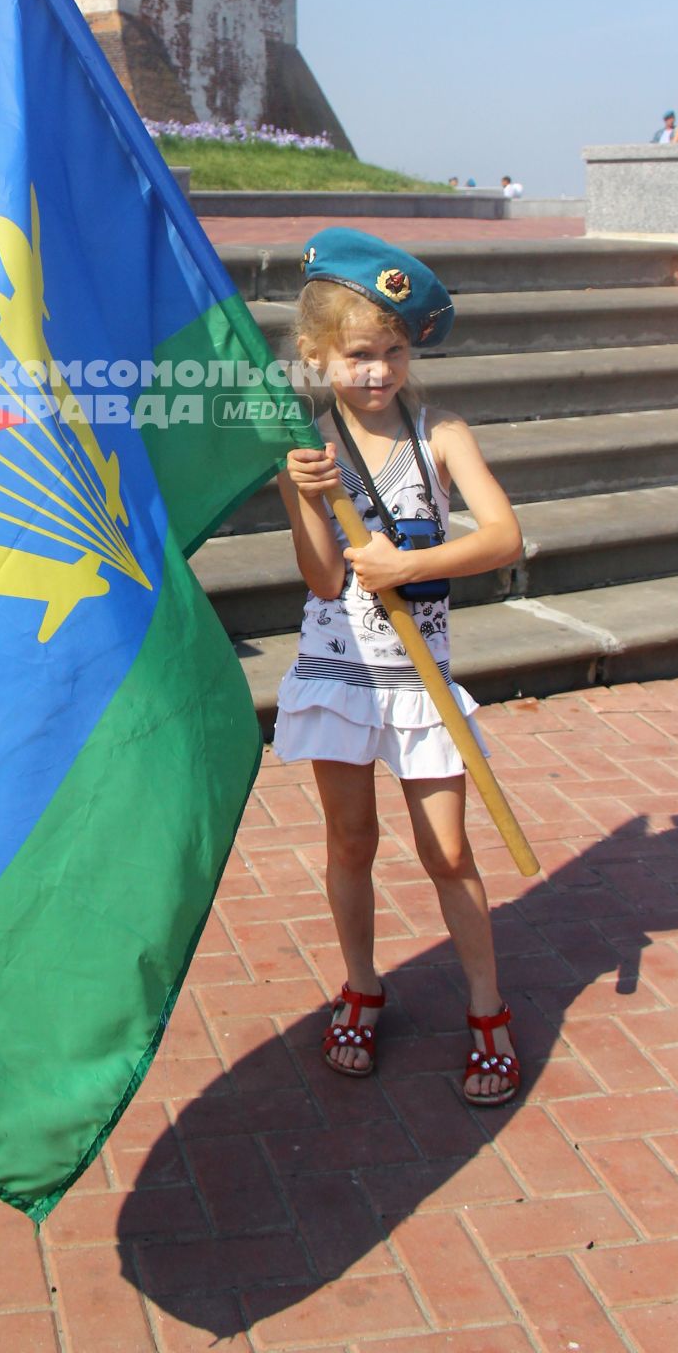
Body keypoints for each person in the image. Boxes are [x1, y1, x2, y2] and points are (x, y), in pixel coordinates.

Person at [275, 229, 525, 1105]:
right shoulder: (307, 447)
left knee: (448, 849)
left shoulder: (441, 432)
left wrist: (411, 566)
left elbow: (503, 537)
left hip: (421, 682)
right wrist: (308, 498)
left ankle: (487, 1006)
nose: (377, 371)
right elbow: (321, 577)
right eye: (356, 356)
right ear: (316, 356)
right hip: (341, 674)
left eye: (392, 351)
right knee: (351, 840)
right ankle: (363, 984)